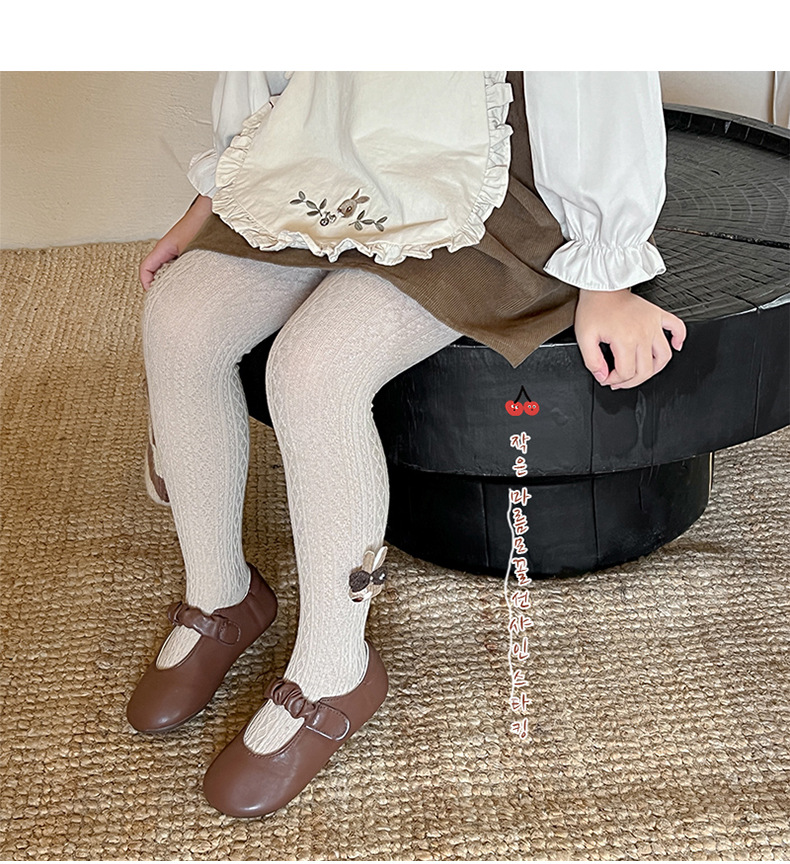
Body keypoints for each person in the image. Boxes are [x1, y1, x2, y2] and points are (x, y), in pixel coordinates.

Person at [128, 71, 687, 818]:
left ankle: (335, 669)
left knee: (315, 368)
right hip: (326, 140)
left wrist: (608, 268)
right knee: (178, 320)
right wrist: (222, 185)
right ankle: (221, 595)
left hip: (484, 170)